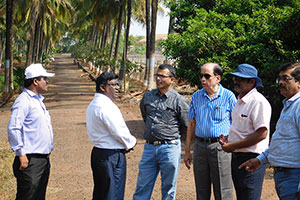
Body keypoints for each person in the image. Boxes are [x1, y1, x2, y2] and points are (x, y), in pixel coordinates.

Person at [239, 62, 300, 200]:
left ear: (299, 83)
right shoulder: (289, 106)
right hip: (285, 176)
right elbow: (282, 141)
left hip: (294, 177)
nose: (280, 82)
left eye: (286, 78)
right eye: (279, 79)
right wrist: (260, 160)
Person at [133, 64, 189, 200]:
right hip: (149, 148)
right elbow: (145, 116)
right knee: (142, 186)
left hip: (170, 148)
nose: (158, 79)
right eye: (157, 75)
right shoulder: (148, 97)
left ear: (172, 79)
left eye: (162, 76)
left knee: (169, 187)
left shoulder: (179, 100)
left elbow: (186, 125)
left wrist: (174, 140)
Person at [184, 62, 236, 200]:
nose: (203, 79)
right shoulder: (196, 96)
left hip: (221, 147)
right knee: (201, 188)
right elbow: (191, 124)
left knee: (223, 189)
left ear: (218, 78)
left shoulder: (229, 96)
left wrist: (233, 145)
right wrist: (188, 150)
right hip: (200, 147)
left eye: (207, 76)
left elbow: (237, 123)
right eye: (201, 76)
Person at [219, 64, 272, 200]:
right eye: (235, 78)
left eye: (240, 79)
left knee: (250, 196)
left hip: (252, 158)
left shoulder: (258, 102)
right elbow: (242, 129)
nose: (236, 82)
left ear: (252, 81)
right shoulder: (239, 101)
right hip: (238, 157)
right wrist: (228, 139)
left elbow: (262, 134)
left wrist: (233, 145)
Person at [86, 72, 136, 200]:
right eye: (113, 85)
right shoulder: (106, 107)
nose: (117, 88)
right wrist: (131, 142)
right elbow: (118, 131)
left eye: (117, 84)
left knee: (102, 192)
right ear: (102, 87)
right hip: (111, 155)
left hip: (100, 153)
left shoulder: (94, 104)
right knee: (112, 194)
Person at [8, 63, 55, 200]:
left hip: (42, 159)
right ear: (35, 81)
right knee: (28, 196)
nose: (47, 82)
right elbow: (14, 127)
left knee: (38, 196)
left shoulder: (38, 101)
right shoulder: (23, 101)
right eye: (44, 79)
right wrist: (21, 154)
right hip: (30, 160)